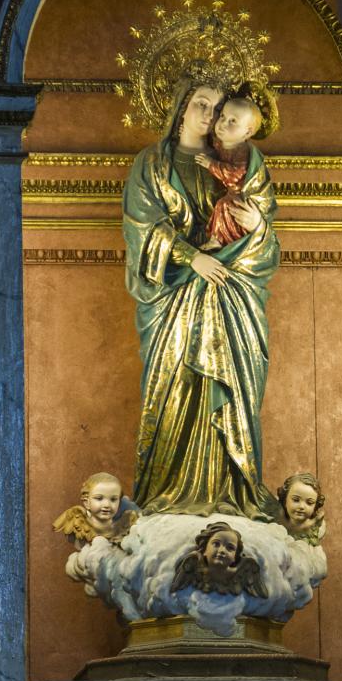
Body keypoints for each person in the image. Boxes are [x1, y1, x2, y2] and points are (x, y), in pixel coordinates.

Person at [123, 74, 281, 520]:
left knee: (232, 390)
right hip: (174, 301)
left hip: (233, 298)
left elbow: (267, 242)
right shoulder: (152, 164)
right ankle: (167, 496)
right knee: (177, 388)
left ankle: (235, 492)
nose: (210, 116)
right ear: (181, 106)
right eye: (201, 104)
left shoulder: (241, 164)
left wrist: (257, 229)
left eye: (217, 109)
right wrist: (192, 258)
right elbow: (143, 228)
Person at [195, 96, 264, 250]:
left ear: (247, 132)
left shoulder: (242, 151)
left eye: (233, 121)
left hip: (240, 195)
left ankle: (218, 239)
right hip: (230, 192)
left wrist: (211, 164)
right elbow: (210, 141)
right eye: (223, 116)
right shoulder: (222, 142)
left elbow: (235, 174)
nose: (223, 124)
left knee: (224, 205)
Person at [277, 472, 326, 544]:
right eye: (296, 500)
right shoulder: (277, 519)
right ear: (285, 500)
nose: (301, 506)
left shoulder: (317, 528)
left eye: (309, 503)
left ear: (315, 506)